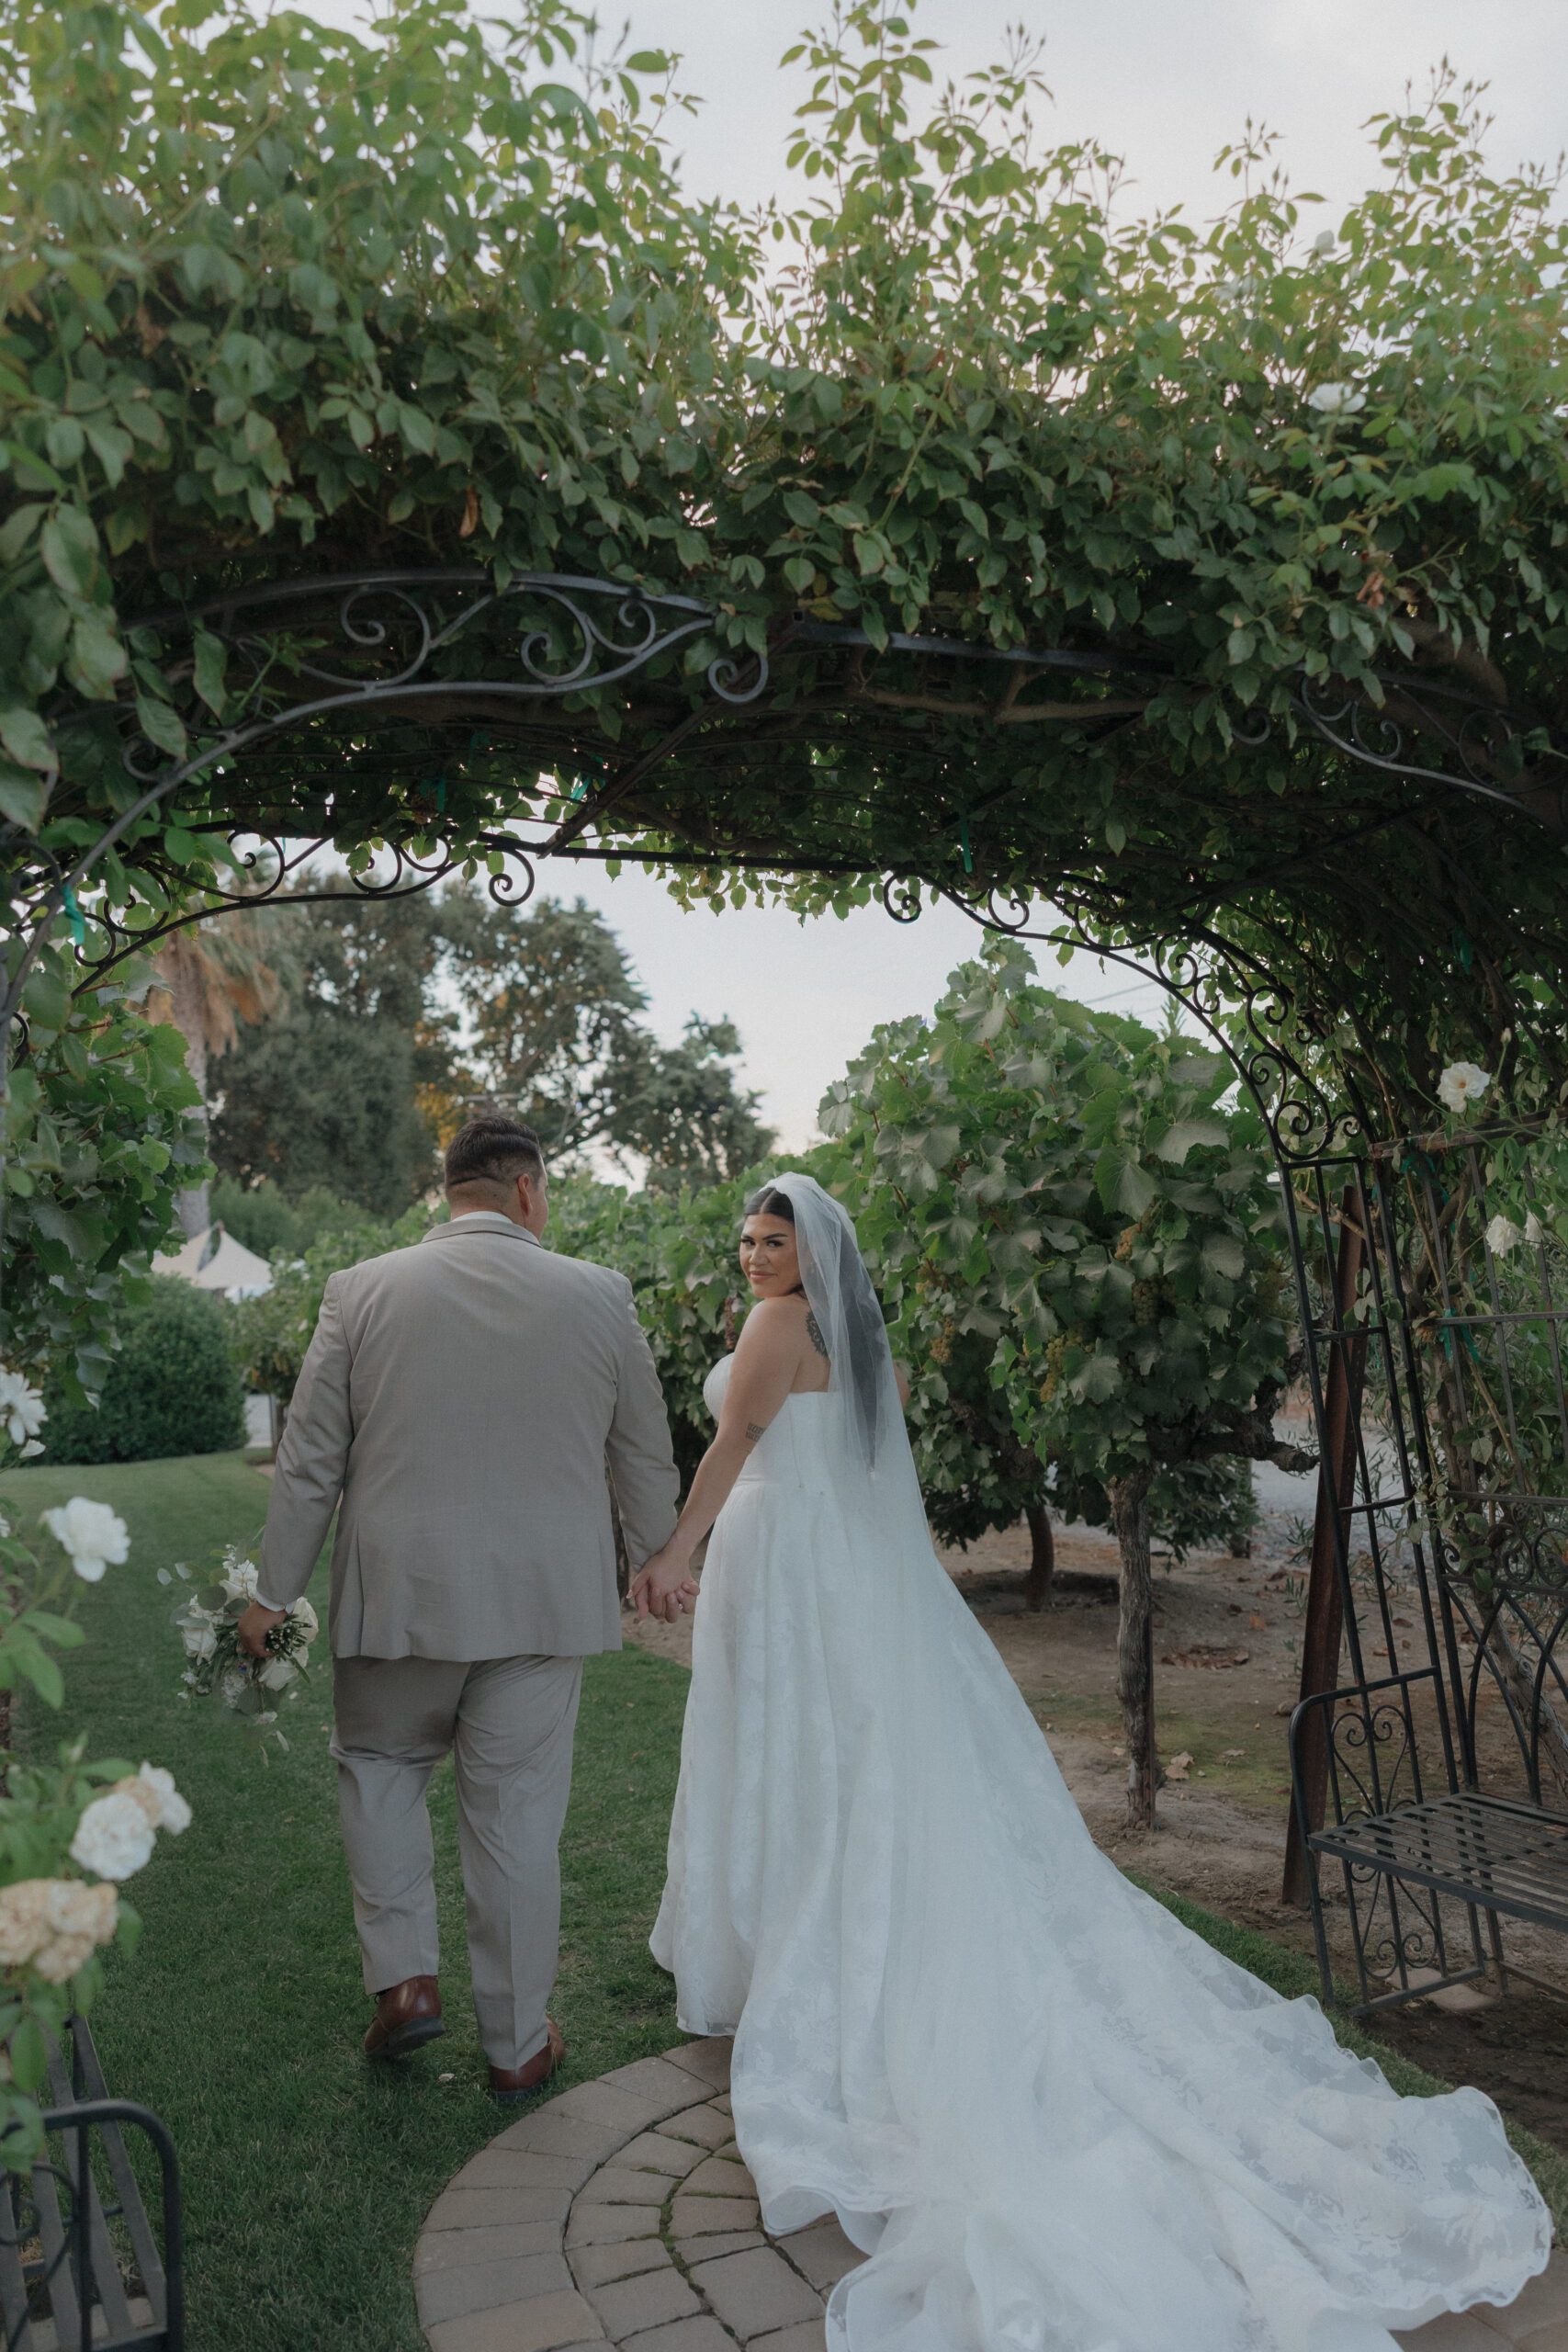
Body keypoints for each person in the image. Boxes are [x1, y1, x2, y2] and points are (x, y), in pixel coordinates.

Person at [633, 1171, 1551, 2352]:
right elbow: (868, 1475)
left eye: (775, 1238)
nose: (755, 1254)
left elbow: (730, 1452)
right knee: (835, 1766)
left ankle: (800, 1949)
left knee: (792, 1756)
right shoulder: (859, 1344)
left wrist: (673, 1547)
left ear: (815, 1252)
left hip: (782, 1559)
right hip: (837, 1575)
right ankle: (816, 1927)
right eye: (748, 1238)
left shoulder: (774, 1328)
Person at [241, 1114, 684, 2098]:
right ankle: (518, 2044)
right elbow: (643, 1453)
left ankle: (404, 1985)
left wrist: (272, 1593)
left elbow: (309, 1462)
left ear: (450, 1191)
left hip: (399, 1596)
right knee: (517, 1822)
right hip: (541, 1604)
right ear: (528, 1189)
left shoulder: (360, 1291)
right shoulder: (600, 1295)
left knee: (381, 1769)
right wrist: (659, 1556)